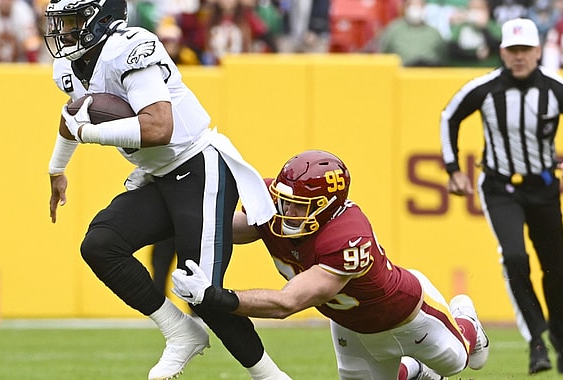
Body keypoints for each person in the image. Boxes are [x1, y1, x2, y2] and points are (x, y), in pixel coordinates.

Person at [43, 0, 290, 380]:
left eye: (71, 21)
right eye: (61, 23)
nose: (64, 32)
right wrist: (57, 169)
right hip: (159, 176)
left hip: (198, 165)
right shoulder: (69, 68)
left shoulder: (131, 47)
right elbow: (72, 118)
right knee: (102, 244)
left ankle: (270, 376)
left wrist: (89, 134)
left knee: (202, 291)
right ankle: (180, 332)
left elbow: (160, 127)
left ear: (99, 18)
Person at [170, 149, 490, 380]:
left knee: (457, 362)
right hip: (349, 322)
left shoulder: (348, 237)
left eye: (297, 206)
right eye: (283, 202)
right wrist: (178, 220)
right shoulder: (277, 204)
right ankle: (413, 373)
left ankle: (467, 324)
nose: (284, 212)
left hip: (406, 315)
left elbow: (287, 303)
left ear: (325, 208)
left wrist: (213, 296)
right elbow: (235, 227)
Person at [439, 18, 563, 375]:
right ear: (502, 52)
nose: (519, 57)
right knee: (514, 257)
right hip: (500, 186)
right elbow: (449, 115)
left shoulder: (555, 89)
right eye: (512, 50)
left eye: (525, 50)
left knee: (555, 270)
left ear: (538, 51)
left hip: (543, 188)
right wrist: (452, 168)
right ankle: (537, 340)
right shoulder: (486, 89)